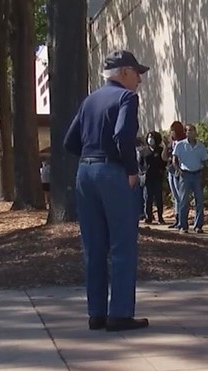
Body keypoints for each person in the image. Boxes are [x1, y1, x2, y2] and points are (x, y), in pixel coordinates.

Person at [64, 49, 151, 332]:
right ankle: (120, 314)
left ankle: (96, 313)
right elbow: (123, 133)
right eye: (137, 72)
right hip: (113, 172)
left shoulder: (89, 101)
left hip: (85, 172)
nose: (139, 79)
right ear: (124, 72)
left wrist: (91, 155)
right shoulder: (126, 97)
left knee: (94, 247)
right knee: (122, 245)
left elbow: (69, 142)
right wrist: (130, 169)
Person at [171, 123, 208, 233]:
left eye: (192, 130)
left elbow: (205, 161)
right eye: (188, 130)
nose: (190, 132)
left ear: (195, 132)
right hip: (185, 174)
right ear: (185, 132)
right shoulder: (180, 145)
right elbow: (174, 159)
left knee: (199, 201)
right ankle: (183, 225)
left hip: (197, 174)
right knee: (184, 201)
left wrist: (205, 176)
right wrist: (178, 170)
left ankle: (198, 226)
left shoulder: (200, 146)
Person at [139, 131, 167, 224]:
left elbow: (164, 162)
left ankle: (160, 217)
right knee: (147, 198)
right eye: (149, 137)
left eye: (152, 137)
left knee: (159, 198)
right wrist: (143, 172)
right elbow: (140, 164)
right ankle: (149, 217)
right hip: (147, 178)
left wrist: (161, 170)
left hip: (157, 177)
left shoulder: (160, 150)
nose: (150, 139)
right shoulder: (143, 151)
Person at [163, 121, 185, 226]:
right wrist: (166, 146)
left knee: (180, 196)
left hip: (179, 171)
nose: (171, 133)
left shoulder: (183, 143)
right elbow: (164, 157)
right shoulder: (172, 144)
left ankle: (182, 220)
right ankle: (177, 219)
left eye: (173, 131)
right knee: (175, 196)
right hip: (171, 171)